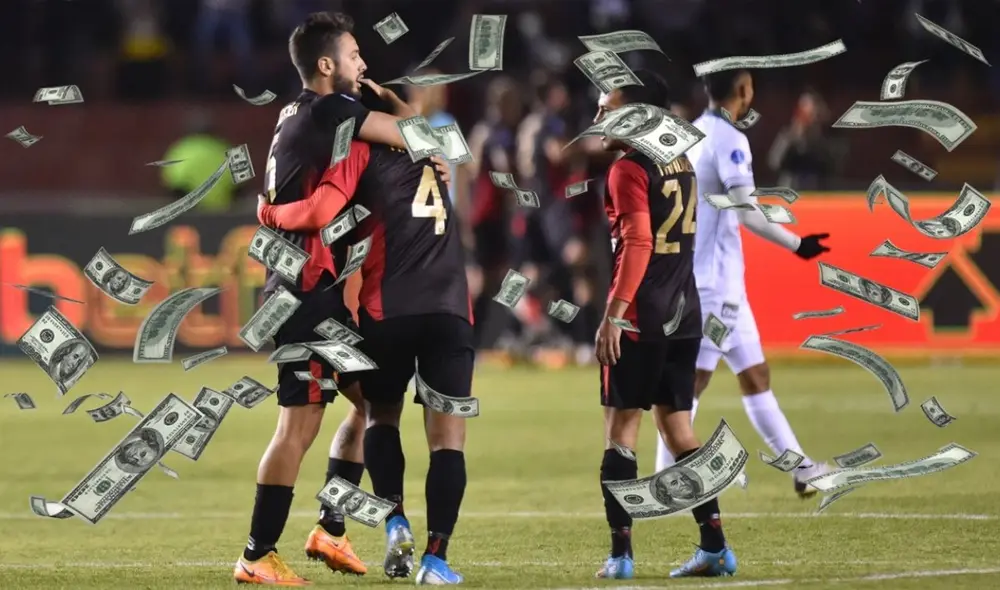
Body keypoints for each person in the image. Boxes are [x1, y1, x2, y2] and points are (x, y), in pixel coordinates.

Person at [233, 11, 436, 586]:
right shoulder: (331, 109)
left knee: (369, 402)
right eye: (353, 55)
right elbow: (424, 139)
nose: (363, 64)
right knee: (297, 425)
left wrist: (271, 214)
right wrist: (401, 109)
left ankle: (331, 528)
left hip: (308, 290)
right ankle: (256, 555)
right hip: (301, 294)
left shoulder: (293, 113)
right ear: (326, 66)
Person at [257, 104, 473, 585]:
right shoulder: (436, 156)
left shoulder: (357, 151)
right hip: (452, 308)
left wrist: (267, 210)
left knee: (374, 413)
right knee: (446, 439)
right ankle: (433, 560)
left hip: (385, 309)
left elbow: (319, 211)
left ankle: (383, 520)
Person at [653, 69, 833, 497]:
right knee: (690, 384)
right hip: (715, 288)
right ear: (743, 91)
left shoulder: (692, 135)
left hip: (715, 282)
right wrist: (797, 243)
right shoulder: (729, 139)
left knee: (755, 375)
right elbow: (748, 212)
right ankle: (667, 480)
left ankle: (800, 468)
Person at [592, 70, 737, 580]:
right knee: (678, 428)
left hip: (641, 317)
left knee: (621, 433)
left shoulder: (628, 169)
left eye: (608, 109)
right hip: (684, 312)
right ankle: (715, 545)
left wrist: (614, 314)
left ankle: (621, 556)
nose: (598, 117)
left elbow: (638, 243)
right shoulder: (680, 162)